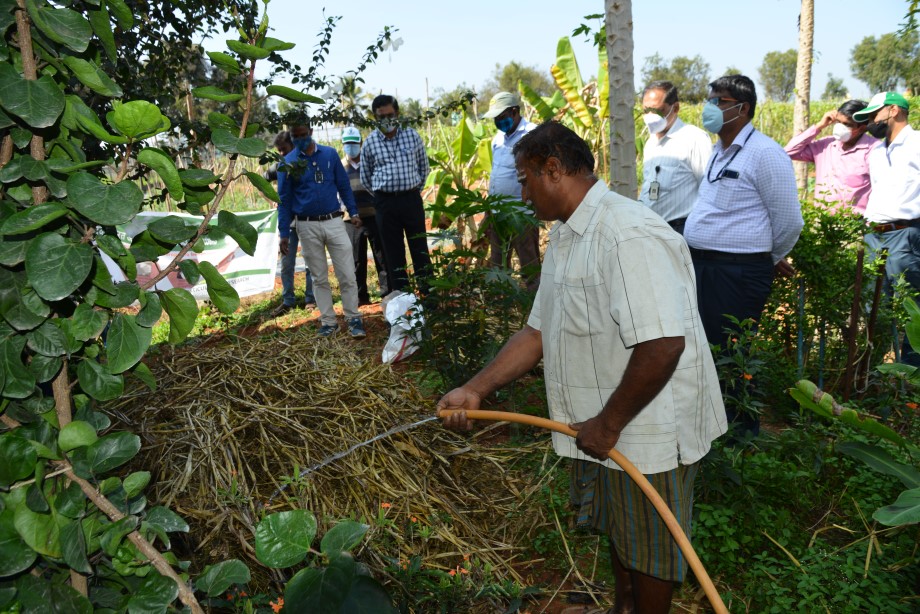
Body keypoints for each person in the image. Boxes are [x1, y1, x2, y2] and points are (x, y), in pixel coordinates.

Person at [439, 122, 726, 614]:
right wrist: (475, 388)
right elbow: (537, 333)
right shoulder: (570, 236)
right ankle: (622, 608)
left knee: (652, 549)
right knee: (624, 531)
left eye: (525, 178)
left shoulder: (627, 234)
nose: (522, 191)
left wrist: (608, 424)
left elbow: (662, 345)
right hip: (608, 424)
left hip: (648, 426)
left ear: (553, 170)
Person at [684, 75, 803, 436]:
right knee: (705, 350)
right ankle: (711, 430)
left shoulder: (765, 154)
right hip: (704, 265)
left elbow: (789, 221)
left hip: (736, 272)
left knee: (730, 354)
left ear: (743, 108)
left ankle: (741, 436)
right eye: (711, 99)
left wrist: (763, 258)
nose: (710, 108)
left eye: (719, 101)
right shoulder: (717, 151)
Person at [277, 121, 366, 338]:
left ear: (311, 132)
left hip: (334, 221)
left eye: (303, 134)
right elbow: (284, 200)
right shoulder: (288, 163)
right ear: (292, 137)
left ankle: (353, 318)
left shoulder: (329, 155)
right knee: (318, 277)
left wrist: (353, 212)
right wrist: (284, 233)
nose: (300, 139)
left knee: (347, 273)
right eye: (296, 136)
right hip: (306, 225)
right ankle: (328, 321)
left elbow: (343, 185)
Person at [853, 92, 920, 365]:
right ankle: (874, 376)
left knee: (911, 310)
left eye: (873, 114)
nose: (870, 121)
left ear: (893, 110)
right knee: (874, 309)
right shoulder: (877, 151)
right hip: (874, 236)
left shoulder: (917, 143)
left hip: (905, 234)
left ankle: (911, 383)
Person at [359, 94, 432, 294]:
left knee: (420, 249)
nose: (387, 120)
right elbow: (366, 178)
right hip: (385, 204)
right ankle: (404, 301)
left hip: (411, 200)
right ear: (375, 118)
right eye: (381, 117)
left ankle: (429, 297)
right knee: (393, 254)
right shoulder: (370, 143)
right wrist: (382, 198)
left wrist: (413, 191)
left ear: (397, 113)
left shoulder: (412, 135)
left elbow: (423, 168)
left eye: (390, 115)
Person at [481, 91, 541, 291]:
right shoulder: (497, 139)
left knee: (529, 264)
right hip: (498, 213)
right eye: (496, 118)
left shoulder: (532, 134)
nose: (499, 121)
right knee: (499, 264)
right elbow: (498, 173)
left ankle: (535, 306)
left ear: (515, 112)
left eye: (502, 117)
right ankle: (501, 308)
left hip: (521, 213)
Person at [638, 81, 713, 234]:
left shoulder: (694, 138)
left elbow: (709, 190)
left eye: (658, 110)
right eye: (646, 111)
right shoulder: (650, 143)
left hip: (681, 230)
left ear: (675, 108)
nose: (651, 116)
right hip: (650, 229)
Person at [784, 99, 874, 213]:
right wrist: (819, 126)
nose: (840, 127)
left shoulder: (873, 150)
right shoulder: (826, 146)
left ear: (861, 128)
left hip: (856, 226)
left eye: (847, 124)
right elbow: (789, 151)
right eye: (838, 122)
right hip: (824, 223)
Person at [267, 131, 315, 317]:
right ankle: (288, 300)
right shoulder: (279, 167)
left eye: (284, 150)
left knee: (311, 260)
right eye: (278, 151)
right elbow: (261, 180)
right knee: (287, 263)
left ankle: (311, 299)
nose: (281, 154)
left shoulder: (304, 165)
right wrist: (272, 198)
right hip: (288, 224)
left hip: (306, 220)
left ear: (293, 146)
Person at [340, 126, 389, 304]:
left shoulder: (371, 163)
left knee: (381, 256)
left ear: (360, 143)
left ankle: (386, 292)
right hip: (350, 219)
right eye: (347, 143)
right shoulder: (339, 165)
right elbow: (338, 192)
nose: (351, 146)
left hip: (374, 214)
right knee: (356, 259)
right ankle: (361, 296)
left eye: (354, 143)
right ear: (343, 144)